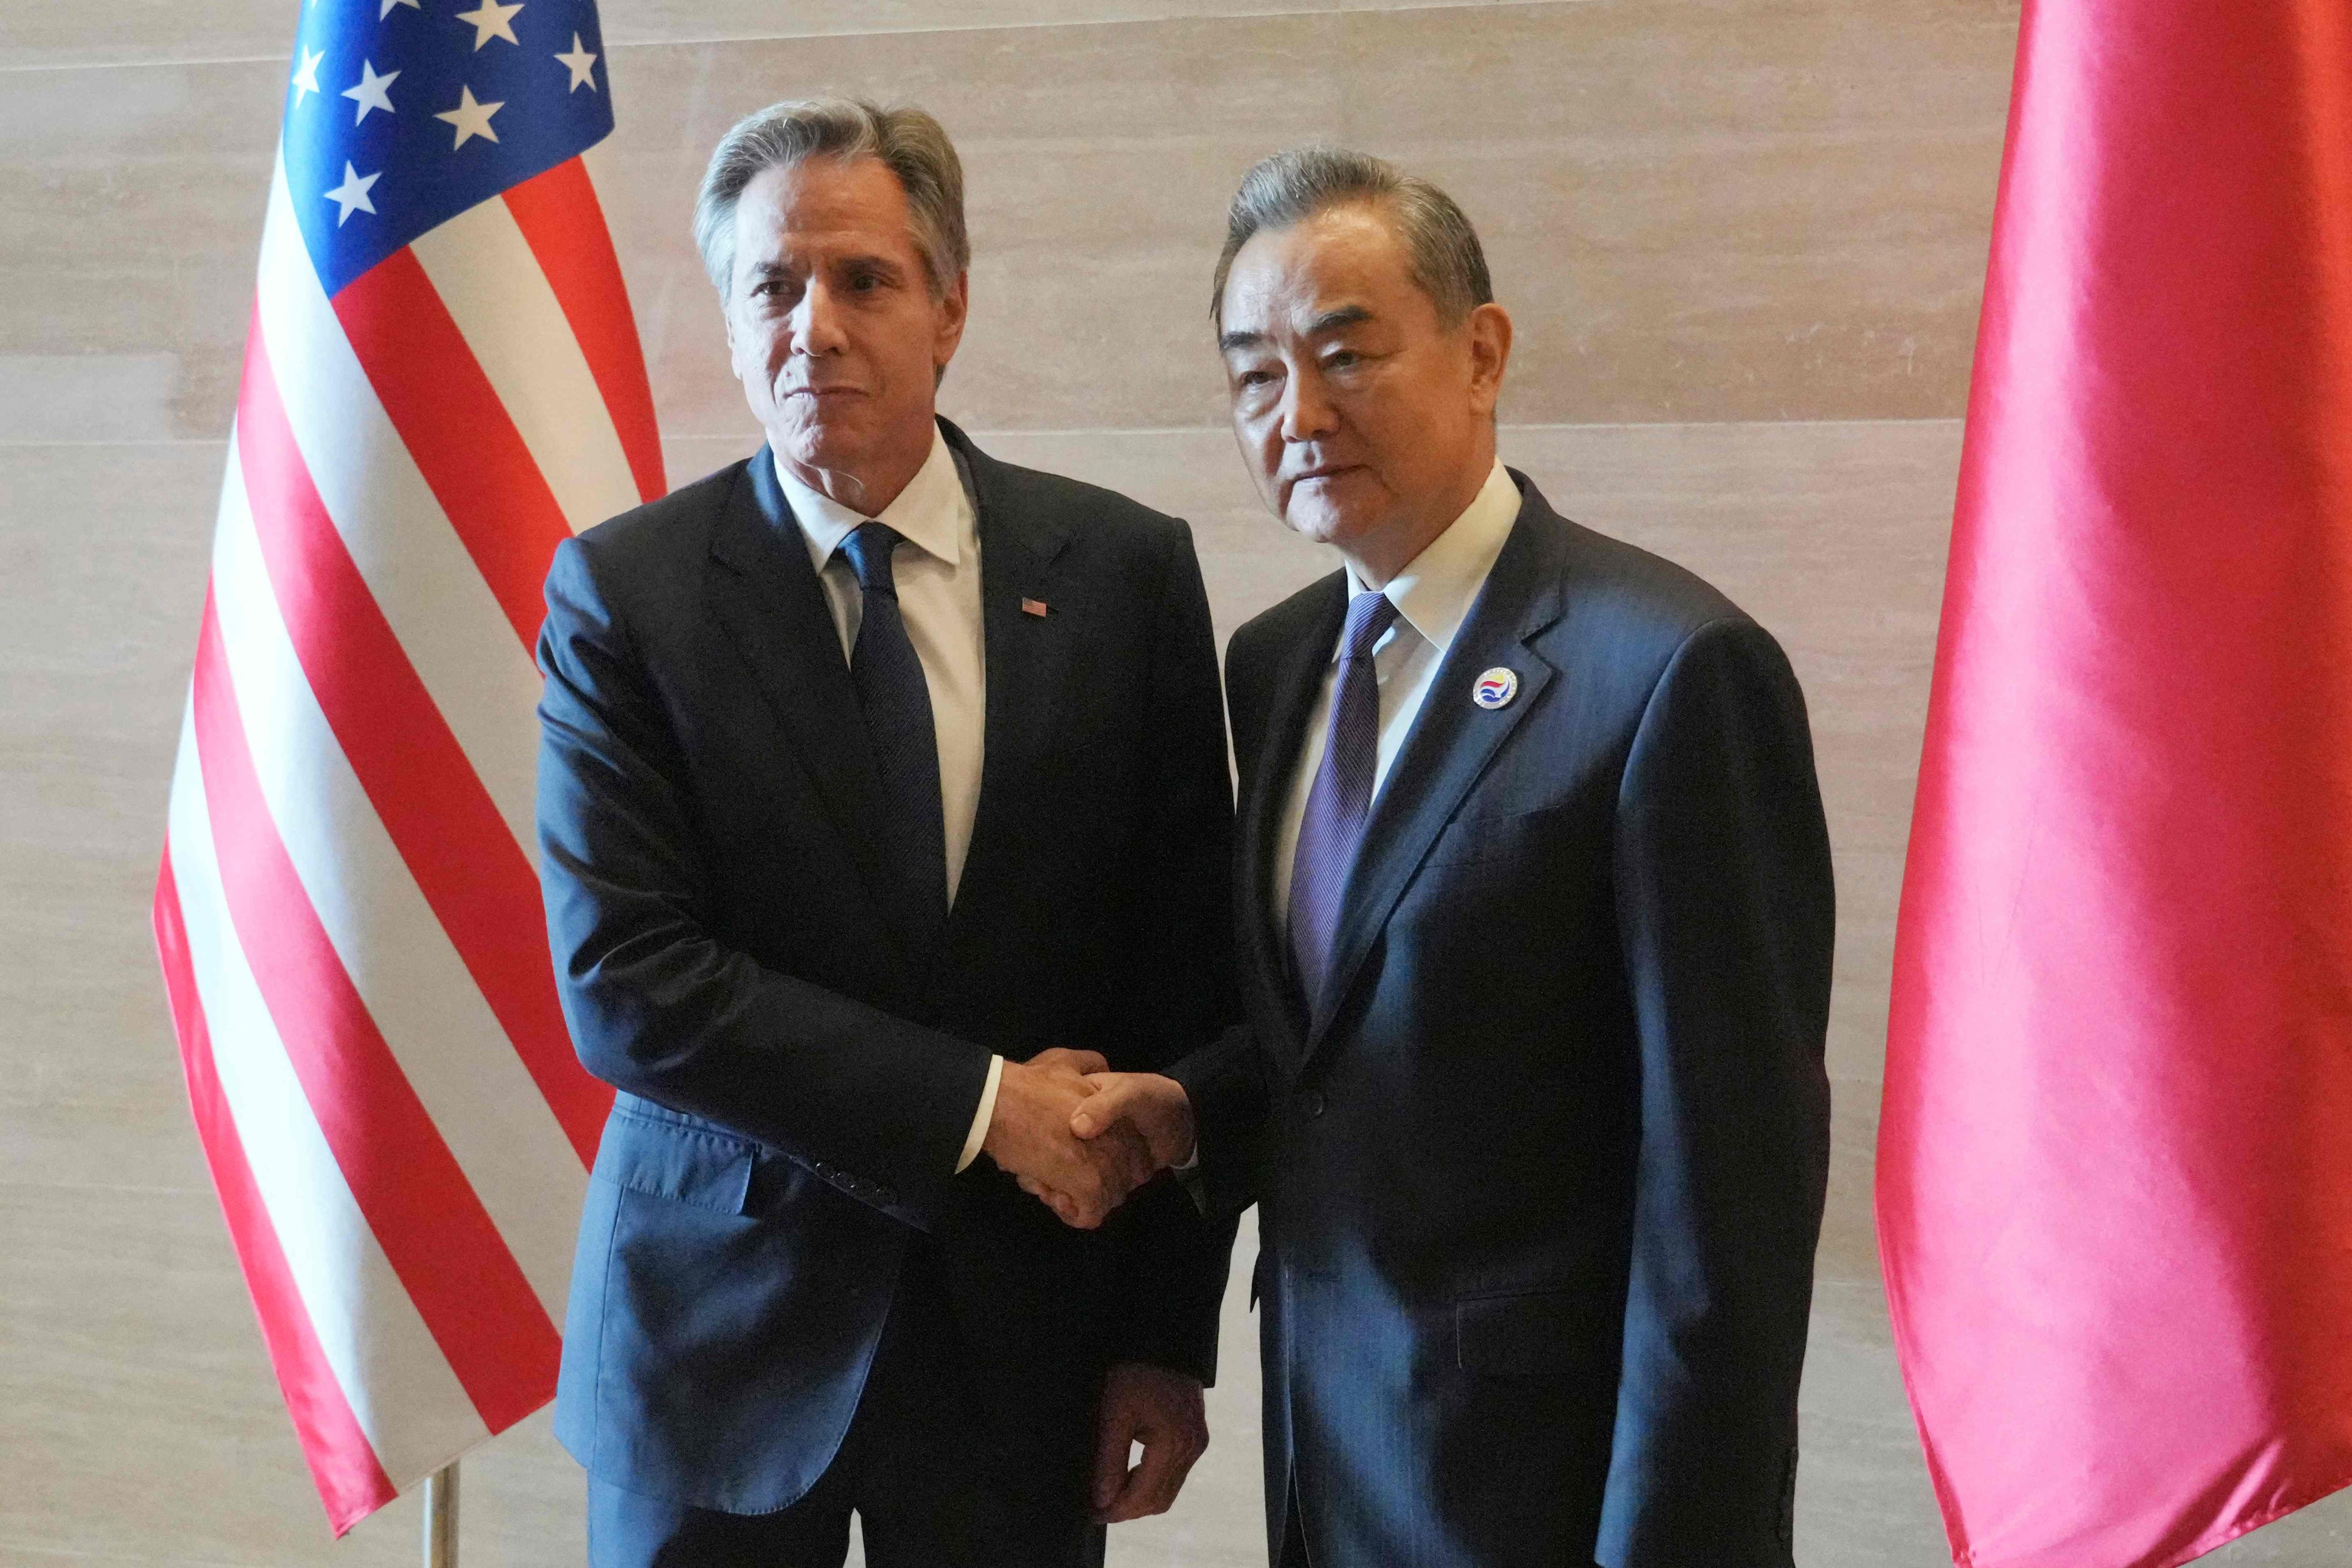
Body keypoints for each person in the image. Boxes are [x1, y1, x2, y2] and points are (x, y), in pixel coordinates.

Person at [1064, 148, 1836, 1567]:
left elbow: (1727, 1205)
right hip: (1332, 1461)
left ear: (1480, 353)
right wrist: (1193, 1109)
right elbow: (1340, 1035)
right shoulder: (1277, 661)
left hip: (1555, 1488)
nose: (1297, 414)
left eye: (1345, 353)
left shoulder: (1664, 672)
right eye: (1251, 375)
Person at [535, 98, 1236, 1567]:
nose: (816, 328)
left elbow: (1183, 978)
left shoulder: (1122, 574)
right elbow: (629, 983)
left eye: (863, 280)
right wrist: (988, 1105)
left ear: (949, 308)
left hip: (1021, 1349)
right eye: (771, 288)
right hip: (713, 1345)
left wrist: (1166, 1337)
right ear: (731, 329)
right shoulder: (626, 593)